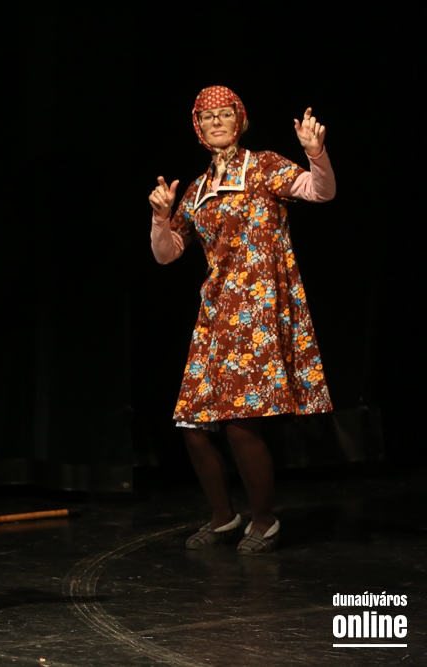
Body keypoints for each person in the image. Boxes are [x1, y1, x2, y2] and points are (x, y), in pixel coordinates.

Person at [147, 85, 335, 555]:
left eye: (224, 114)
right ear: (198, 127)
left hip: (258, 309)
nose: (216, 122)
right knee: (193, 424)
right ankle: (223, 517)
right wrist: (162, 218)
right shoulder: (198, 188)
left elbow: (320, 191)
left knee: (240, 424)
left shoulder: (264, 165)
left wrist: (316, 153)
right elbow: (167, 254)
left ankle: (264, 521)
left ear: (240, 120)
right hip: (216, 314)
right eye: (207, 117)